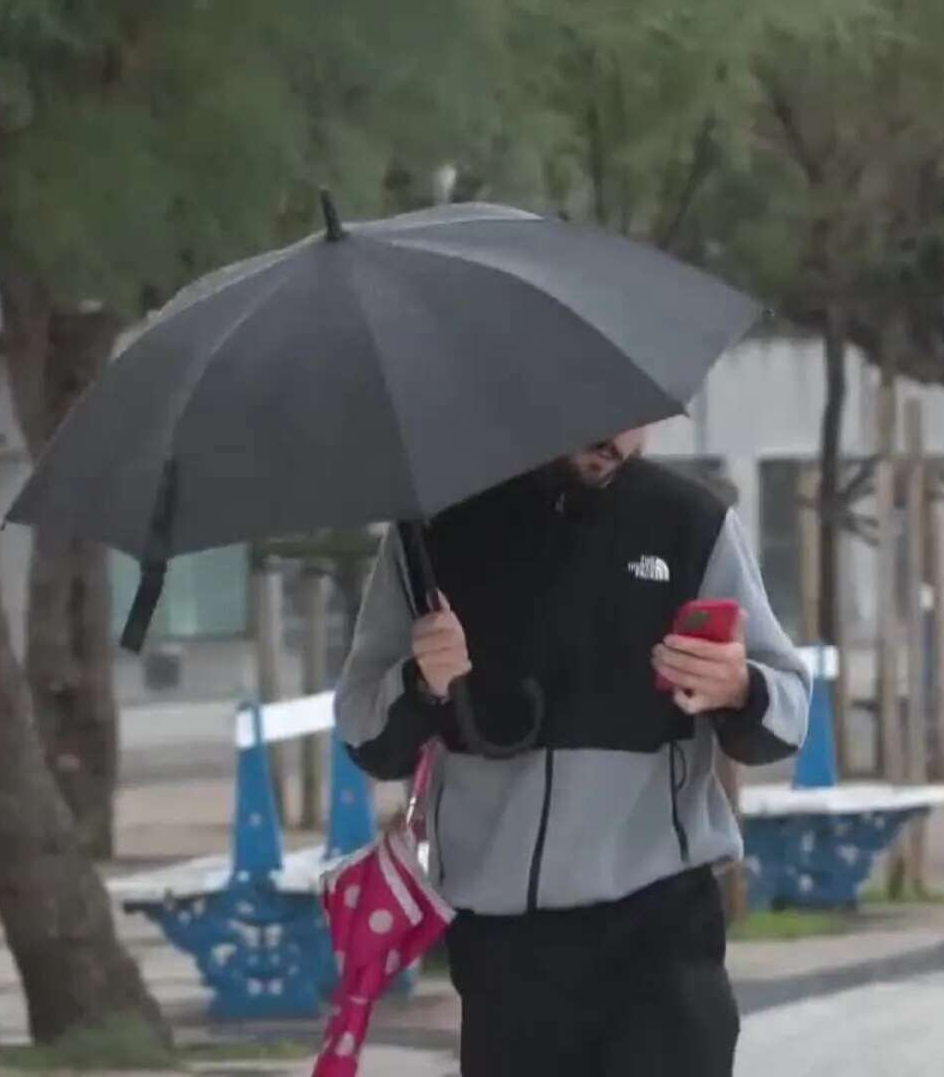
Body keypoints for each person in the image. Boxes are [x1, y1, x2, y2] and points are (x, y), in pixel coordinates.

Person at [335, 427, 813, 1076]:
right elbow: (367, 736)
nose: (612, 433)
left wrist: (738, 686)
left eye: (629, 412)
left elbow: (786, 710)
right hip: (505, 955)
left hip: (660, 935)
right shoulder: (433, 534)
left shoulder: (689, 521)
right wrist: (422, 681)